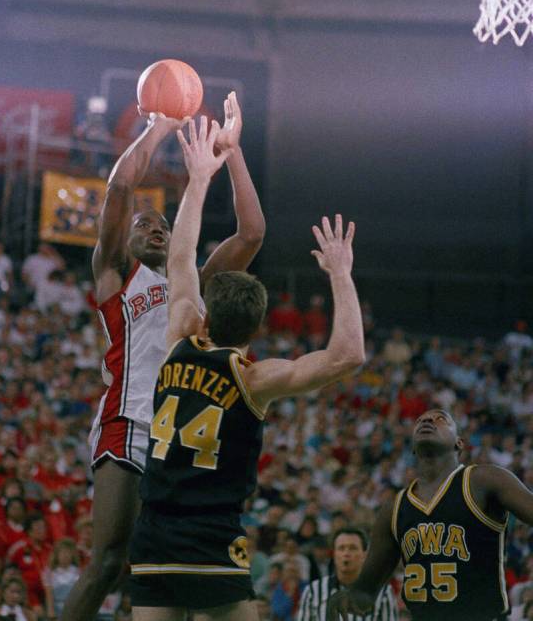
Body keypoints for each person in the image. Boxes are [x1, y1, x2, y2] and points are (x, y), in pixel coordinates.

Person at [128, 116, 365, 620]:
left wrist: (199, 176)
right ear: (256, 331)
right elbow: (347, 355)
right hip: (212, 533)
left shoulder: (179, 338)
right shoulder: (255, 378)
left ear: (208, 313)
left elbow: (183, 257)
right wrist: (341, 275)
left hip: (154, 531)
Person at [61, 91, 265, 621]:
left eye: (163, 226)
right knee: (108, 561)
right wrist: (159, 126)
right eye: (143, 225)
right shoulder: (116, 274)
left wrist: (234, 152)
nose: (155, 228)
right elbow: (122, 185)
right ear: (123, 242)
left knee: (159, 576)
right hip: (129, 421)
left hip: (178, 441)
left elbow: (252, 233)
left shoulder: (193, 282)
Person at [326, 409, 533, 621]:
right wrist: (348, 599)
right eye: (421, 420)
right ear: (413, 447)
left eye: (440, 419)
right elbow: (366, 591)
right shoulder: (394, 508)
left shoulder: (484, 480)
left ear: (459, 443)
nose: (427, 421)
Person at [297, 527, 397, 621]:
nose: (346, 553)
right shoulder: (313, 591)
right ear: (334, 554)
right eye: (341, 548)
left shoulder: (382, 592)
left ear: (364, 555)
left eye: (353, 548)